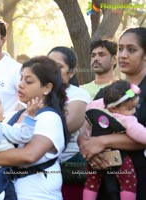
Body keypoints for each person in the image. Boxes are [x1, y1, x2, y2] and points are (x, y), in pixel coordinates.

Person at [0, 56, 69, 200]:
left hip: (37, 195)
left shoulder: (49, 118)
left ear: (47, 88)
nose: (20, 84)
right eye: (21, 78)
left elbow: (29, 155)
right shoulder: (11, 116)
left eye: (28, 81)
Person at [78, 27, 146, 200]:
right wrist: (88, 150)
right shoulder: (108, 92)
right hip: (104, 180)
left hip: (139, 178)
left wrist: (102, 141)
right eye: (120, 48)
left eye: (131, 50)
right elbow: (85, 127)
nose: (123, 55)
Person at [83, 80, 145, 200]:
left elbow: (86, 119)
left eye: (134, 107)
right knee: (128, 183)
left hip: (95, 157)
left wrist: (88, 140)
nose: (133, 112)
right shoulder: (127, 120)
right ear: (113, 108)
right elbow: (141, 135)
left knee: (92, 182)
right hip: (118, 158)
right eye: (130, 109)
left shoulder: (95, 106)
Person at [48, 46, 90, 200]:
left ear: (71, 72)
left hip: (69, 168)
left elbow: (64, 128)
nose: (51, 70)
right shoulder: (34, 91)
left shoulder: (78, 94)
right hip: (36, 169)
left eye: (58, 67)